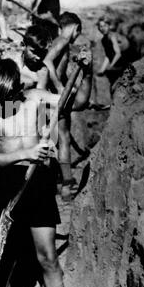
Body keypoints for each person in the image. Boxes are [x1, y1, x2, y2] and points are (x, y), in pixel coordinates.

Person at [0, 58, 74, 287]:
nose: (3, 104)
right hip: (6, 189)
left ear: (18, 88)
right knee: (4, 265)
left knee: (47, 256)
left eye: (8, 97)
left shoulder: (35, 99)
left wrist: (83, 69)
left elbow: (71, 101)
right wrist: (26, 154)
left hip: (38, 185)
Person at [43, 13, 92, 201]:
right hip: (53, 96)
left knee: (58, 137)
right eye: (78, 32)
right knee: (61, 138)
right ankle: (66, 184)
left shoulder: (60, 41)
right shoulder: (62, 40)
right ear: (76, 27)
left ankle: (63, 184)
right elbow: (47, 61)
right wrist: (59, 86)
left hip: (53, 96)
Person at [96, 15, 132, 97]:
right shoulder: (104, 40)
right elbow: (108, 56)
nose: (103, 28)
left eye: (105, 26)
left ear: (109, 26)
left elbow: (118, 53)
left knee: (118, 84)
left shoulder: (112, 36)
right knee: (111, 84)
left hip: (126, 60)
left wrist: (111, 66)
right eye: (100, 26)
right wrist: (102, 69)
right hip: (119, 62)